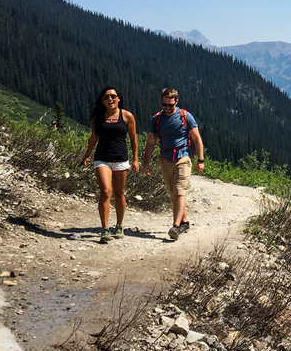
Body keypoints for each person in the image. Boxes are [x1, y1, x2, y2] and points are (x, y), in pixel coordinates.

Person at [142, 87, 205, 240]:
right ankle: (184, 222)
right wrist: (146, 162)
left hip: (183, 158)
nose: (167, 108)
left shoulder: (185, 116)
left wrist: (200, 160)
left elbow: (196, 138)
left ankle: (175, 227)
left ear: (176, 101)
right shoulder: (156, 119)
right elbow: (151, 142)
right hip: (165, 159)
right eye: (164, 105)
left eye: (170, 105)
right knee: (172, 193)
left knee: (179, 190)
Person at [80, 86, 139, 243]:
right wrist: (86, 155)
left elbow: (133, 139)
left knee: (119, 193)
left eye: (113, 96)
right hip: (102, 159)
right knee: (106, 191)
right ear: (102, 101)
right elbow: (93, 138)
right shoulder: (98, 118)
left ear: (119, 98)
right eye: (106, 97)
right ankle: (105, 229)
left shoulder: (127, 116)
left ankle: (119, 225)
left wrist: (135, 159)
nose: (110, 99)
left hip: (121, 159)